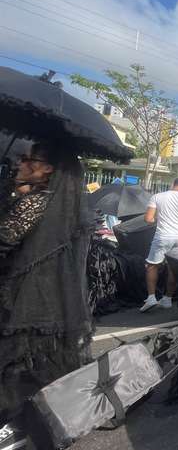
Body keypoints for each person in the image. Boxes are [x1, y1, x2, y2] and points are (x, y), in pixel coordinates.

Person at [0, 143, 93, 430]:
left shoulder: (35, 203)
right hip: (51, 295)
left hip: (24, 294)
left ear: (49, 169)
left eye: (30, 161)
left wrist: (9, 192)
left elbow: (5, 239)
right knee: (38, 357)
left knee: (20, 357)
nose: (22, 165)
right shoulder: (60, 205)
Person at [140, 177, 178, 312]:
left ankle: (151, 298)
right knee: (174, 267)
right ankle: (167, 299)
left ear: (174, 184)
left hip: (163, 236)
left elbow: (148, 219)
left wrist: (158, 220)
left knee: (152, 266)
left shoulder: (157, 197)